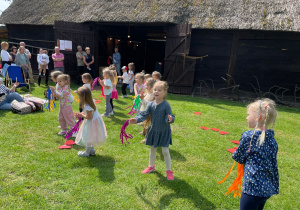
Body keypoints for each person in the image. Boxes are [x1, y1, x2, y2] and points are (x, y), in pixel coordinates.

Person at [232, 98, 279, 210]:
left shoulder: (249, 137)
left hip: (252, 189)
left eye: (248, 115)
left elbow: (238, 157)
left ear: (258, 118)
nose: (246, 117)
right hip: (267, 188)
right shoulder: (272, 139)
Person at [129, 81, 175, 180]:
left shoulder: (166, 105)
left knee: (165, 151)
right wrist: (136, 119)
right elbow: (144, 114)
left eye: (159, 90)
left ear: (164, 92)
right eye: (155, 89)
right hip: (153, 131)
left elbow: (170, 116)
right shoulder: (150, 104)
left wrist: (170, 119)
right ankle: (151, 166)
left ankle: (169, 170)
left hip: (163, 132)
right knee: (152, 149)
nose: (156, 92)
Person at [75, 86, 107, 157]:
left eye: (79, 96)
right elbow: (90, 114)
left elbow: (89, 117)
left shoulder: (87, 105)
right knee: (91, 136)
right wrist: (82, 114)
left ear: (83, 97)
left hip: (91, 122)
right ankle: (91, 151)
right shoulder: (90, 101)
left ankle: (86, 153)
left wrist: (82, 116)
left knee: (88, 136)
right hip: (94, 121)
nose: (79, 98)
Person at [139, 78, 156, 143]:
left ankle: (147, 138)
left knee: (148, 125)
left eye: (147, 85)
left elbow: (148, 104)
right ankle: (143, 132)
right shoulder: (147, 93)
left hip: (149, 113)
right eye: (146, 85)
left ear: (152, 87)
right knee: (144, 123)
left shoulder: (152, 95)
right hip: (145, 111)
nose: (146, 87)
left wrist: (142, 99)